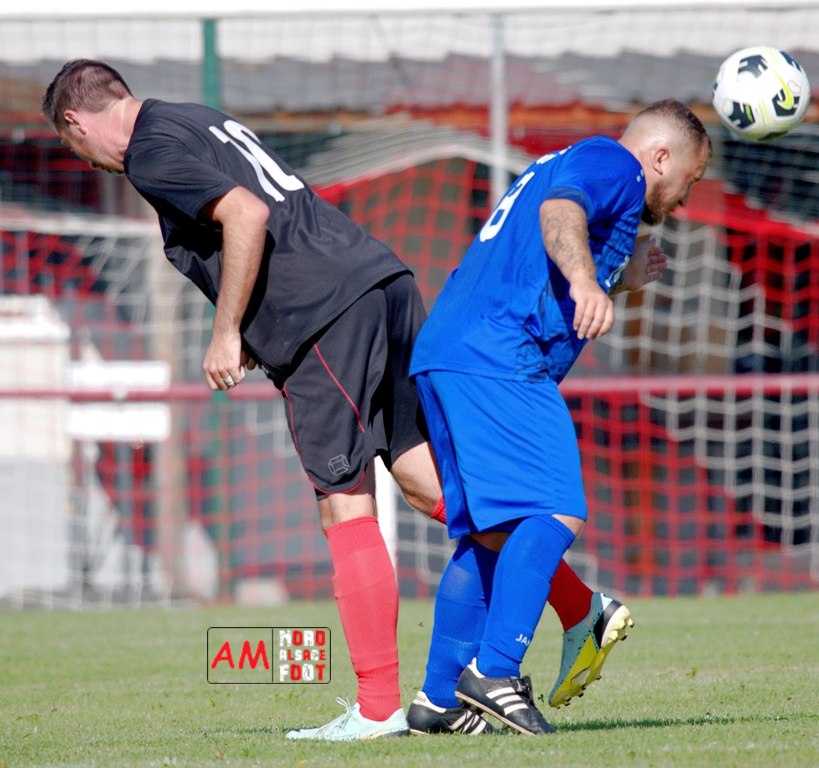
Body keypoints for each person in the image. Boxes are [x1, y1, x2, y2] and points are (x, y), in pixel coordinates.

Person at [42, 58, 629, 741]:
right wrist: (251, 321)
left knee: (343, 504)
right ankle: (579, 607)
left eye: (71, 145)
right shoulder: (192, 117)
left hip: (321, 315)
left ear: (76, 121)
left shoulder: (148, 151)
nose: (83, 159)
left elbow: (246, 214)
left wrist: (227, 331)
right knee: (430, 487)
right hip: (381, 285)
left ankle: (377, 709)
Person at [407, 99, 711, 734]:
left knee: (489, 533)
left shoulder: (570, 162)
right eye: (692, 178)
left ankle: (437, 700)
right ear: (661, 157)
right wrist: (587, 282)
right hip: (499, 355)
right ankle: (496, 672)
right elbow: (559, 213)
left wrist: (610, 275)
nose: (687, 197)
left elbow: (539, 247)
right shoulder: (617, 163)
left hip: (448, 353)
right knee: (556, 508)